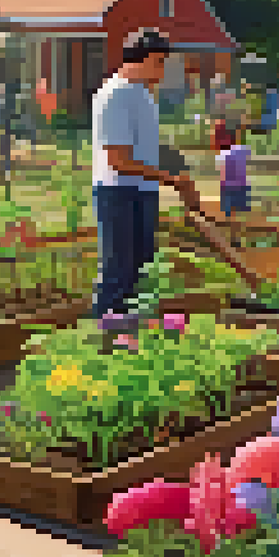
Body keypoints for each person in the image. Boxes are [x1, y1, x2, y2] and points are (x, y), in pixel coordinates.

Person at [92, 30, 205, 336]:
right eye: (158, 62)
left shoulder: (142, 94)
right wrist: (173, 181)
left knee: (141, 269)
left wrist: (181, 177)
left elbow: (151, 147)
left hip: (142, 192)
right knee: (118, 271)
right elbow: (119, 161)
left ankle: (132, 337)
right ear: (137, 59)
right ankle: (106, 338)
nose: (162, 70)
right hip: (118, 193)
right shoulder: (114, 94)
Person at [217, 120, 252, 219]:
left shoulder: (224, 154)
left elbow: (223, 173)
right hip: (241, 185)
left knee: (229, 212)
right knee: (241, 211)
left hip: (229, 187)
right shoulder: (243, 150)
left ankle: (230, 216)